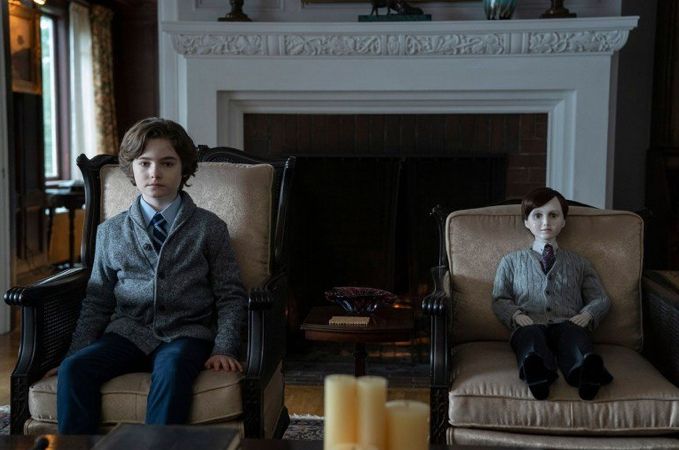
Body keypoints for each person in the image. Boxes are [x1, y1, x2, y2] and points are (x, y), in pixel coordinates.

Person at [52, 117, 247, 434]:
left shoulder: (209, 228)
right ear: (132, 169)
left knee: (172, 371)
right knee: (74, 369)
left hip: (186, 335)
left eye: (167, 163)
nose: (155, 173)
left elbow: (230, 295)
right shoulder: (110, 231)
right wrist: (75, 351)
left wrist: (224, 347)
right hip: (127, 333)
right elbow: (97, 301)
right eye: (145, 163)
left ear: (183, 169)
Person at [492, 187, 613, 401]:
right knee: (530, 340)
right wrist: (515, 315)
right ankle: (537, 373)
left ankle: (586, 371)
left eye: (553, 215)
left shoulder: (579, 263)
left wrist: (588, 314)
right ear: (526, 222)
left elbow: (600, 298)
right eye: (537, 215)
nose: (546, 222)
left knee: (575, 338)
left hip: (568, 323)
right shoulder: (511, 262)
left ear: (563, 221)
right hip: (530, 323)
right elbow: (500, 298)